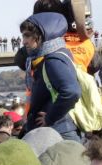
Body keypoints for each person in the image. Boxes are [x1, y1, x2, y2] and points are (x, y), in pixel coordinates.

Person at [21, 12, 82, 140]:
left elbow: (72, 91)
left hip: (57, 134)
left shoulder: (52, 60)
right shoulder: (52, 56)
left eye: (27, 36)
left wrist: (50, 117)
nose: (24, 41)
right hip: (55, 131)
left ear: (40, 36)